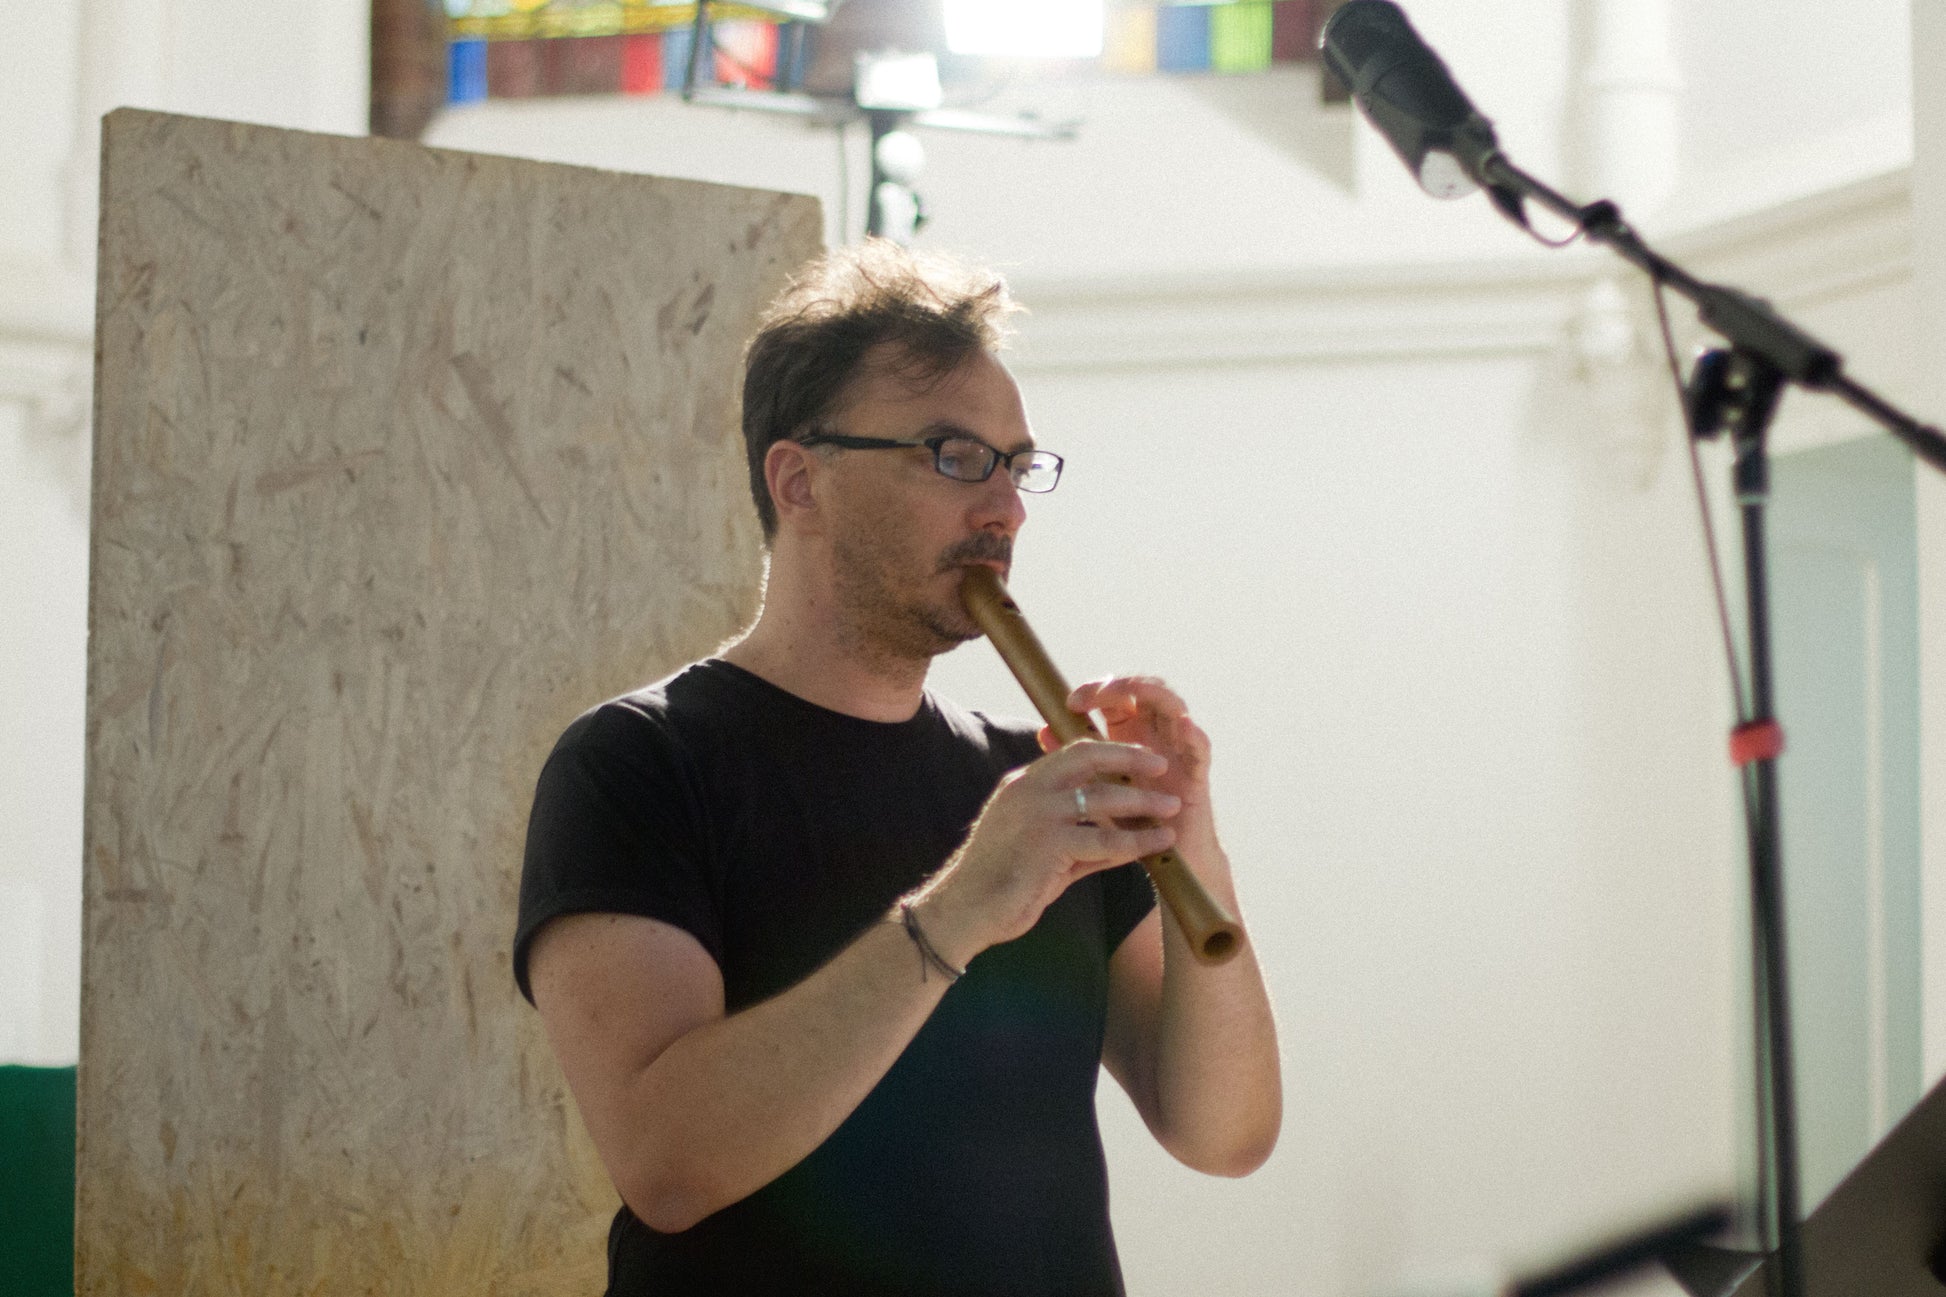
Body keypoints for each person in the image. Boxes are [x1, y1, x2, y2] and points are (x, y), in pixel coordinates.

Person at [513, 240, 1281, 1296]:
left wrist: (1195, 838)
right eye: (954, 455)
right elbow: (667, 1164)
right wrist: (966, 904)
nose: (1003, 508)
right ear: (800, 481)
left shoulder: (1031, 779)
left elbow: (1223, 1131)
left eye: (1017, 465)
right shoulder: (639, 762)